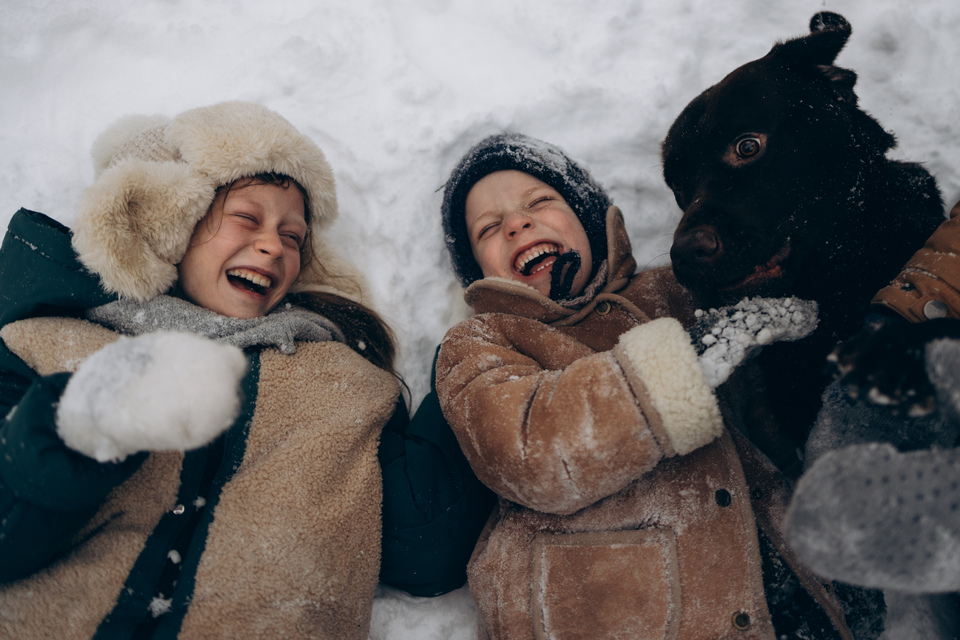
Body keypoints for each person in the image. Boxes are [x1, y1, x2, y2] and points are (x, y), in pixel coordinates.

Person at [0, 101, 486, 639]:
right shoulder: (42, 343)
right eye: (247, 218)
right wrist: (77, 430)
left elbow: (425, 548)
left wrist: (475, 347)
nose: (274, 245)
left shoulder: (343, 383)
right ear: (173, 222)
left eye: (293, 236)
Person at [433, 133, 884, 640]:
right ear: (476, 271)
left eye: (539, 202)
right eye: (488, 228)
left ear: (588, 217)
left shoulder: (676, 292)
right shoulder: (480, 345)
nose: (517, 223)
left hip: (777, 600)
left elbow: (765, 423)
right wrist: (686, 363)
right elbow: (527, 453)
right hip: (606, 611)